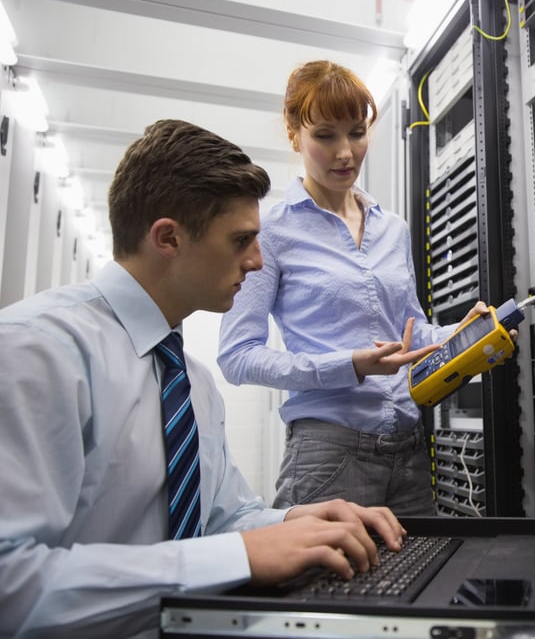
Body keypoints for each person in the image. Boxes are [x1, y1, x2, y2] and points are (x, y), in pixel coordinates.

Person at [0, 119, 408, 639]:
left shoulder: (191, 379)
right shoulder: (36, 353)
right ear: (168, 238)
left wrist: (294, 523)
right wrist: (236, 555)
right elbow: (9, 582)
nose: (258, 262)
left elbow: (222, 519)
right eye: (241, 240)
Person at [218, 60, 503, 515]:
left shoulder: (392, 229)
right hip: (328, 456)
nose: (346, 152)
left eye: (356, 132)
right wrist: (347, 365)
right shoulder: (270, 233)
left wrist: (457, 333)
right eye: (325, 136)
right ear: (295, 136)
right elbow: (237, 356)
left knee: (420, 585)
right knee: (324, 588)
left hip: (409, 450)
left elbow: (409, 332)